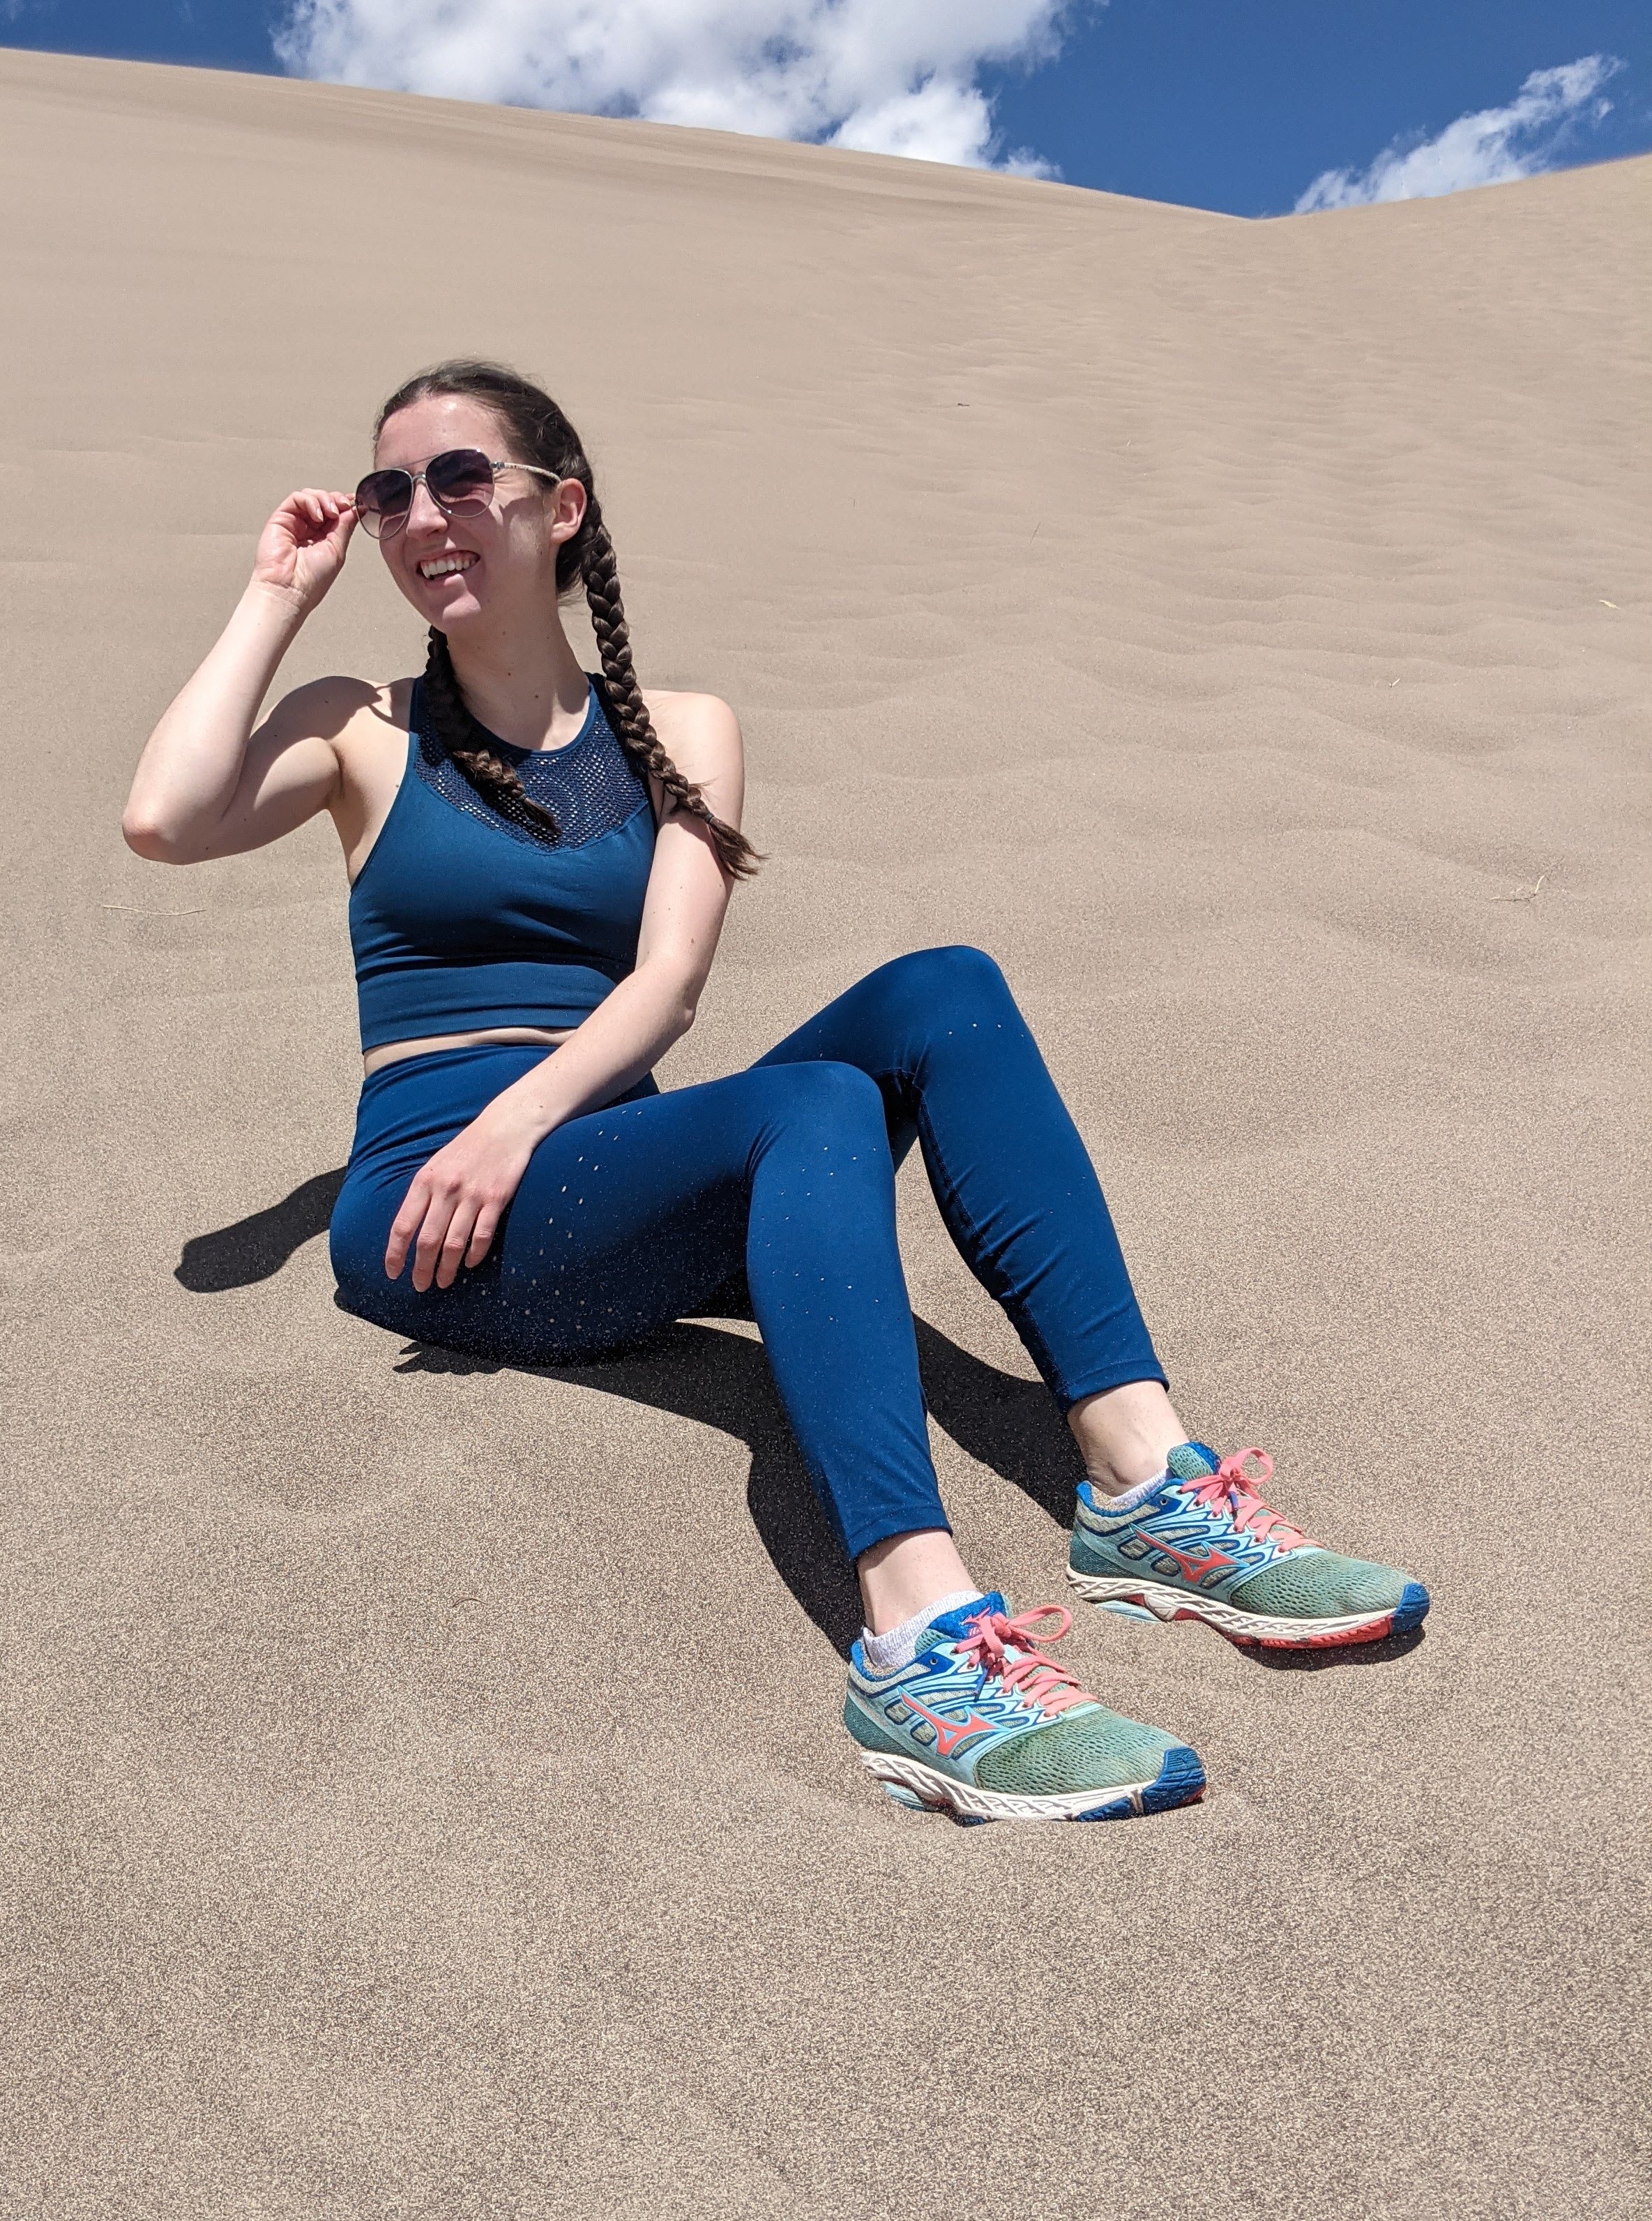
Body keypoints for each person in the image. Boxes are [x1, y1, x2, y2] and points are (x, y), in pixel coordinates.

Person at [123, 361, 1427, 1825]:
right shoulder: (360, 724)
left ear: (563, 507)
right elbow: (163, 818)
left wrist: (527, 1118)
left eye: (460, 477)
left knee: (947, 986)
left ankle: (1146, 1485)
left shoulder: (683, 726)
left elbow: (669, 981)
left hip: (579, 1154)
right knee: (807, 1106)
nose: (422, 512)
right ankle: (918, 1644)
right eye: (387, 494)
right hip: (437, 1216)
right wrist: (277, 593)